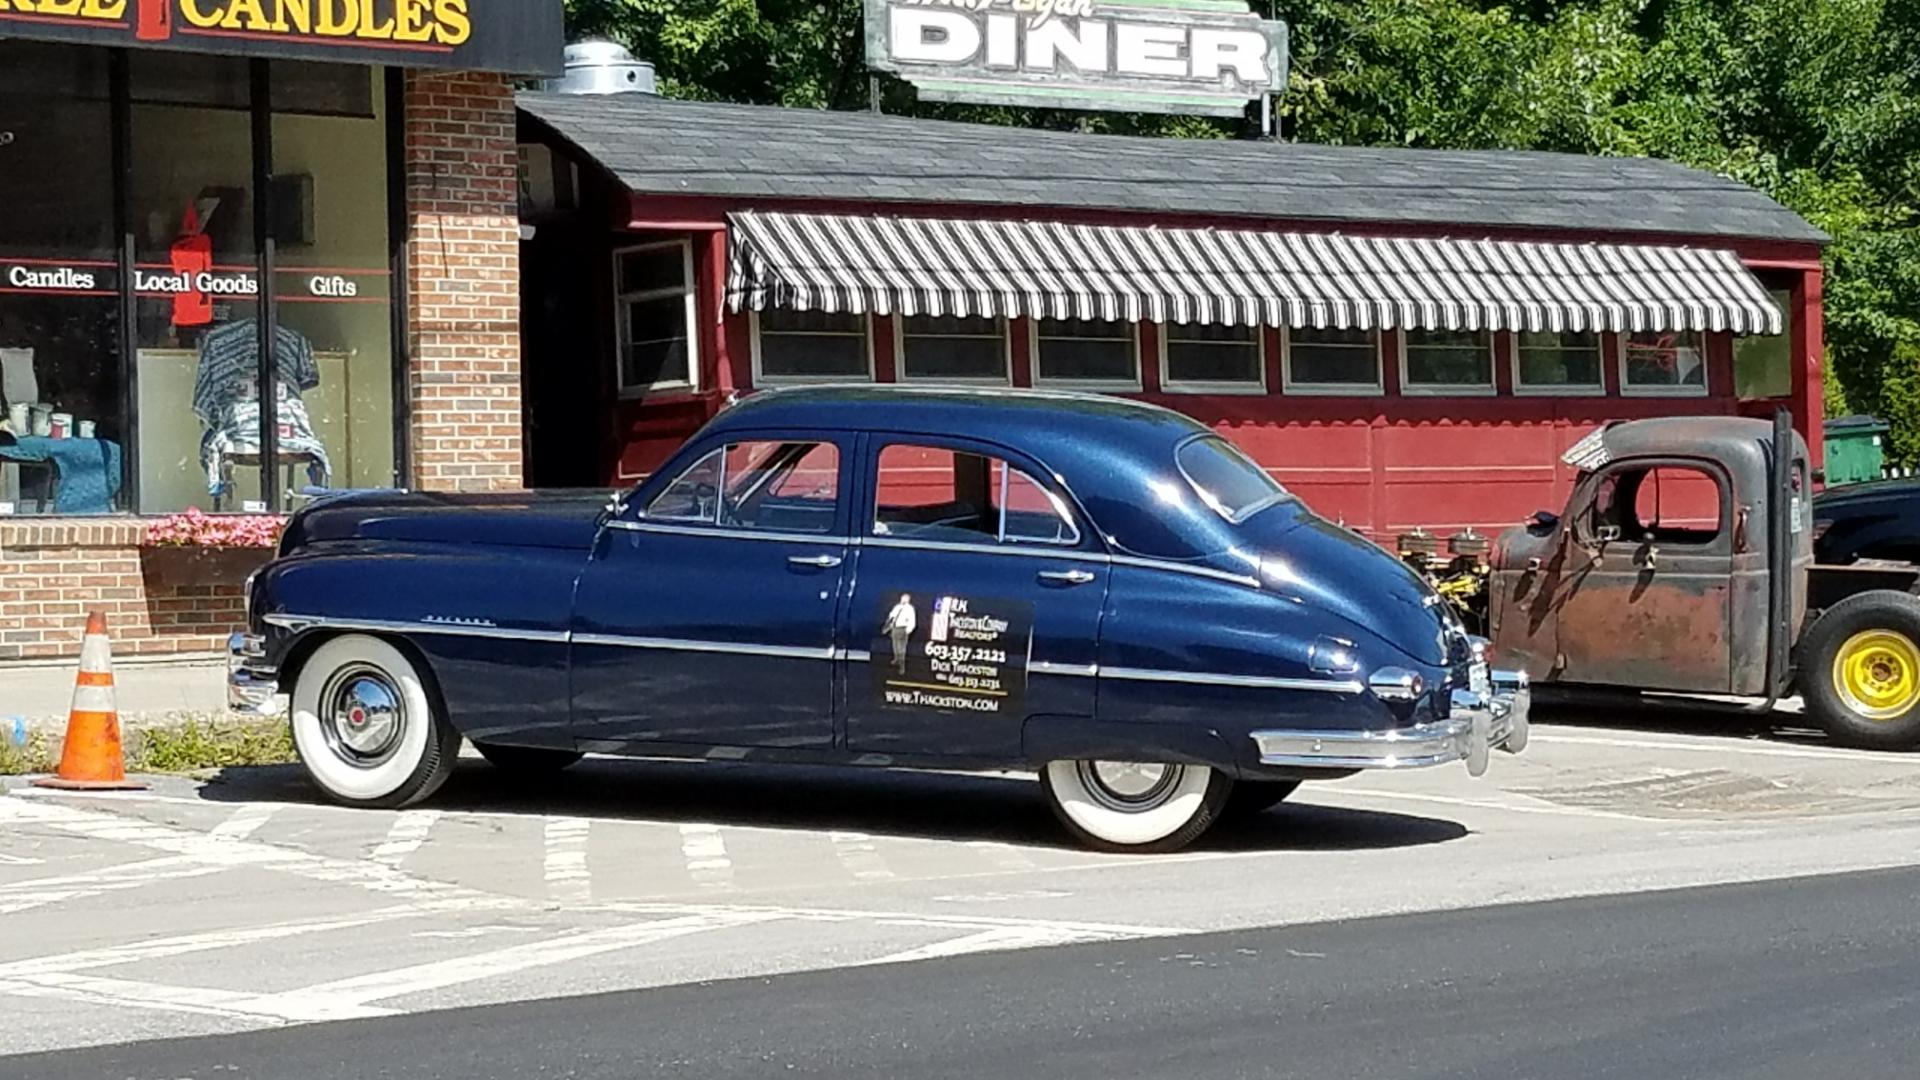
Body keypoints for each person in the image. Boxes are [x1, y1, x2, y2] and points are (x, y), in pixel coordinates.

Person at [882, 594, 917, 674]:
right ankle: (896, 659)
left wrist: (907, 631)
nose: (902, 600)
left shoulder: (910, 609)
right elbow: (892, 615)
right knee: (895, 646)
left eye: (904, 599)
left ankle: (902, 666)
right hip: (895, 628)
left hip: (903, 629)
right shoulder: (897, 607)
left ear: (908, 600)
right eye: (902, 598)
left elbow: (912, 621)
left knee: (901, 648)